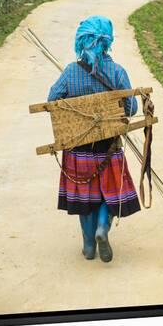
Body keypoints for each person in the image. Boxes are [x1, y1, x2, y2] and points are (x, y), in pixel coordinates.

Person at [47, 15, 141, 262]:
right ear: (107, 41)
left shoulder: (70, 72)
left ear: (81, 41)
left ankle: (89, 245)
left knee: (85, 198)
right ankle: (102, 228)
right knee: (106, 195)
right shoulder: (118, 71)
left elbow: (52, 101)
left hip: (78, 150)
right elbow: (131, 109)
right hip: (109, 148)